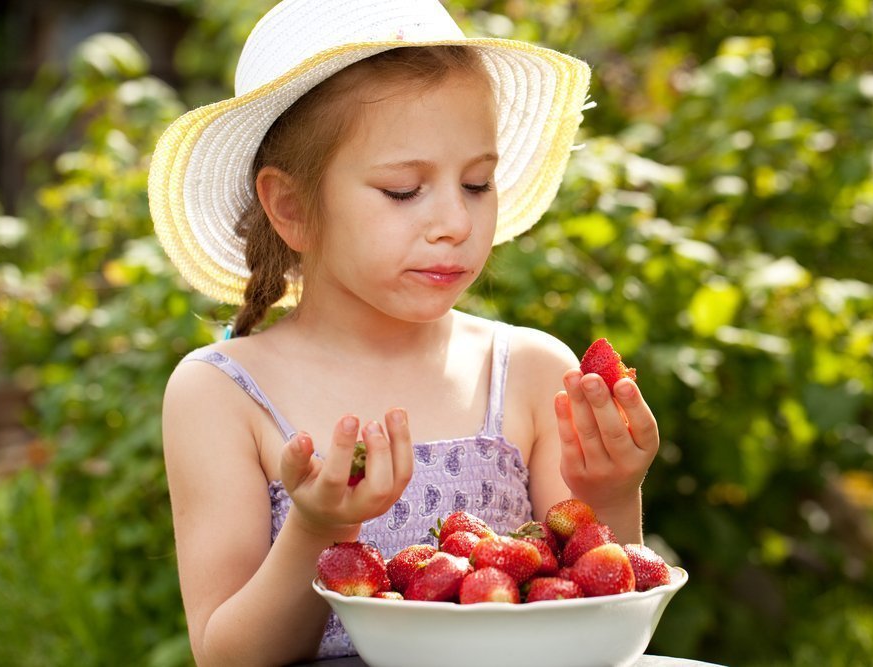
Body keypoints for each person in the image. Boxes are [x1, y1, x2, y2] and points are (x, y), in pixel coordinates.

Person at [149, 0, 660, 664]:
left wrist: (612, 490)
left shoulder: (531, 373)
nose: (454, 219)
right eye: (402, 190)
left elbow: (588, 625)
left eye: (477, 183)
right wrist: (318, 530)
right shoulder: (223, 394)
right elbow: (228, 654)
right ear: (293, 208)